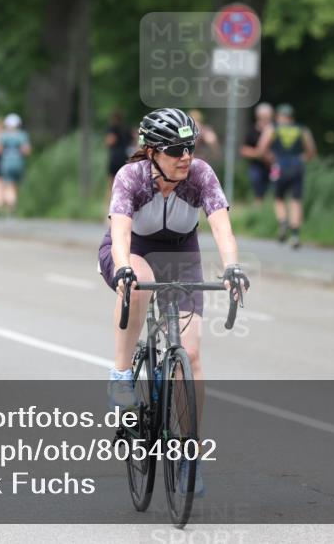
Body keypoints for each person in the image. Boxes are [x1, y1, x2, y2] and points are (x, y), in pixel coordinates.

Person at [100, 108, 249, 497]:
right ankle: (120, 377)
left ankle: (189, 452)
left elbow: (221, 226)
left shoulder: (200, 175)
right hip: (133, 248)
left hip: (182, 252)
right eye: (174, 149)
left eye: (189, 146)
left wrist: (232, 267)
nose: (185, 156)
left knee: (192, 355)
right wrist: (122, 268)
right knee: (138, 284)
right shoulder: (130, 177)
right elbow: (119, 232)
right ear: (151, 152)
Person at [260, 104, 317, 249]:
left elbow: (261, 149)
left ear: (279, 116)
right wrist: (303, 158)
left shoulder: (273, 128)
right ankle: (296, 235)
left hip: (278, 166)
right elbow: (311, 151)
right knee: (296, 200)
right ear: (292, 117)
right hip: (297, 167)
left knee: (278, 197)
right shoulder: (302, 129)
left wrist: (270, 159)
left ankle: (283, 222)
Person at [0, 113, 31, 216]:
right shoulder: (22, 135)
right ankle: (12, 207)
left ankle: (8, 207)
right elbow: (26, 150)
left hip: (6, 162)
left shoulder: (4, 135)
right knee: (14, 186)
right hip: (18, 162)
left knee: (8, 185)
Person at [239, 102, 274, 206]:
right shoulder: (252, 131)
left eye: (268, 116)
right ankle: (258, 212)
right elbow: (243, 150)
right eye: (264, 116)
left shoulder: (276, 130)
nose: (266, 119)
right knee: (258, 190)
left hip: (274, 166)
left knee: (275, 191)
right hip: (257, 166)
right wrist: (259, 154)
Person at [105, 110, 132, 189]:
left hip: (115, 159)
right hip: (125, 158)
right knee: (124, 184)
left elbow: (110, 141)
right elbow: (134, 139)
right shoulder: (127, 129)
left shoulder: (113, 129)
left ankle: (109, 201)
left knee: (111, 185)